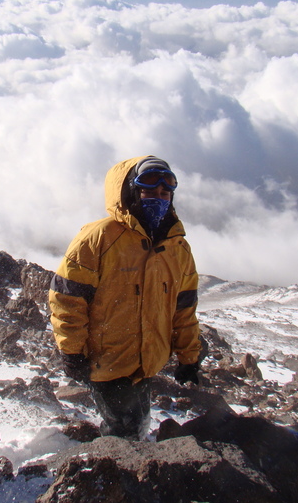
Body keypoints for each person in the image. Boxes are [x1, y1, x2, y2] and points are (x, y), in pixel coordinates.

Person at [49, 155, 201, 440]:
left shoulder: (177, 248)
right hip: (108, 360)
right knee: (124, 432)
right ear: (131, 190)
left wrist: (189, 357)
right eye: (148, 190)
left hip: (147, 362)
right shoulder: (99, 238)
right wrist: (71, 350)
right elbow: (68, 298)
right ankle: (110, 470)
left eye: (165, 193)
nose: (158, 198)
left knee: (138, 422)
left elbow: (184, 308)